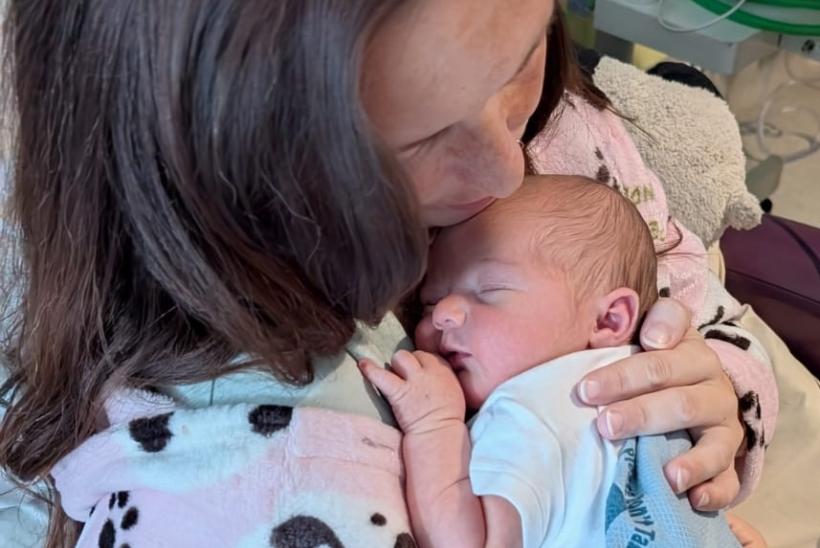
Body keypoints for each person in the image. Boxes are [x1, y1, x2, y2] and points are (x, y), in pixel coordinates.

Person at [0, 1, 776, 546]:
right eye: (417, 144)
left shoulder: (568, 134)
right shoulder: (255, 435)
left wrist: (718, 406)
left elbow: (687, 277)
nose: (508, 169)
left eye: (518, 61)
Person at [361, 174, 743, 547]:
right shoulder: (652, 398)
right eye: (429, 304)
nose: (442, 314)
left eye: (489, 290)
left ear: (609, 320)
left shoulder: (531, 407)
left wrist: (434, 427)